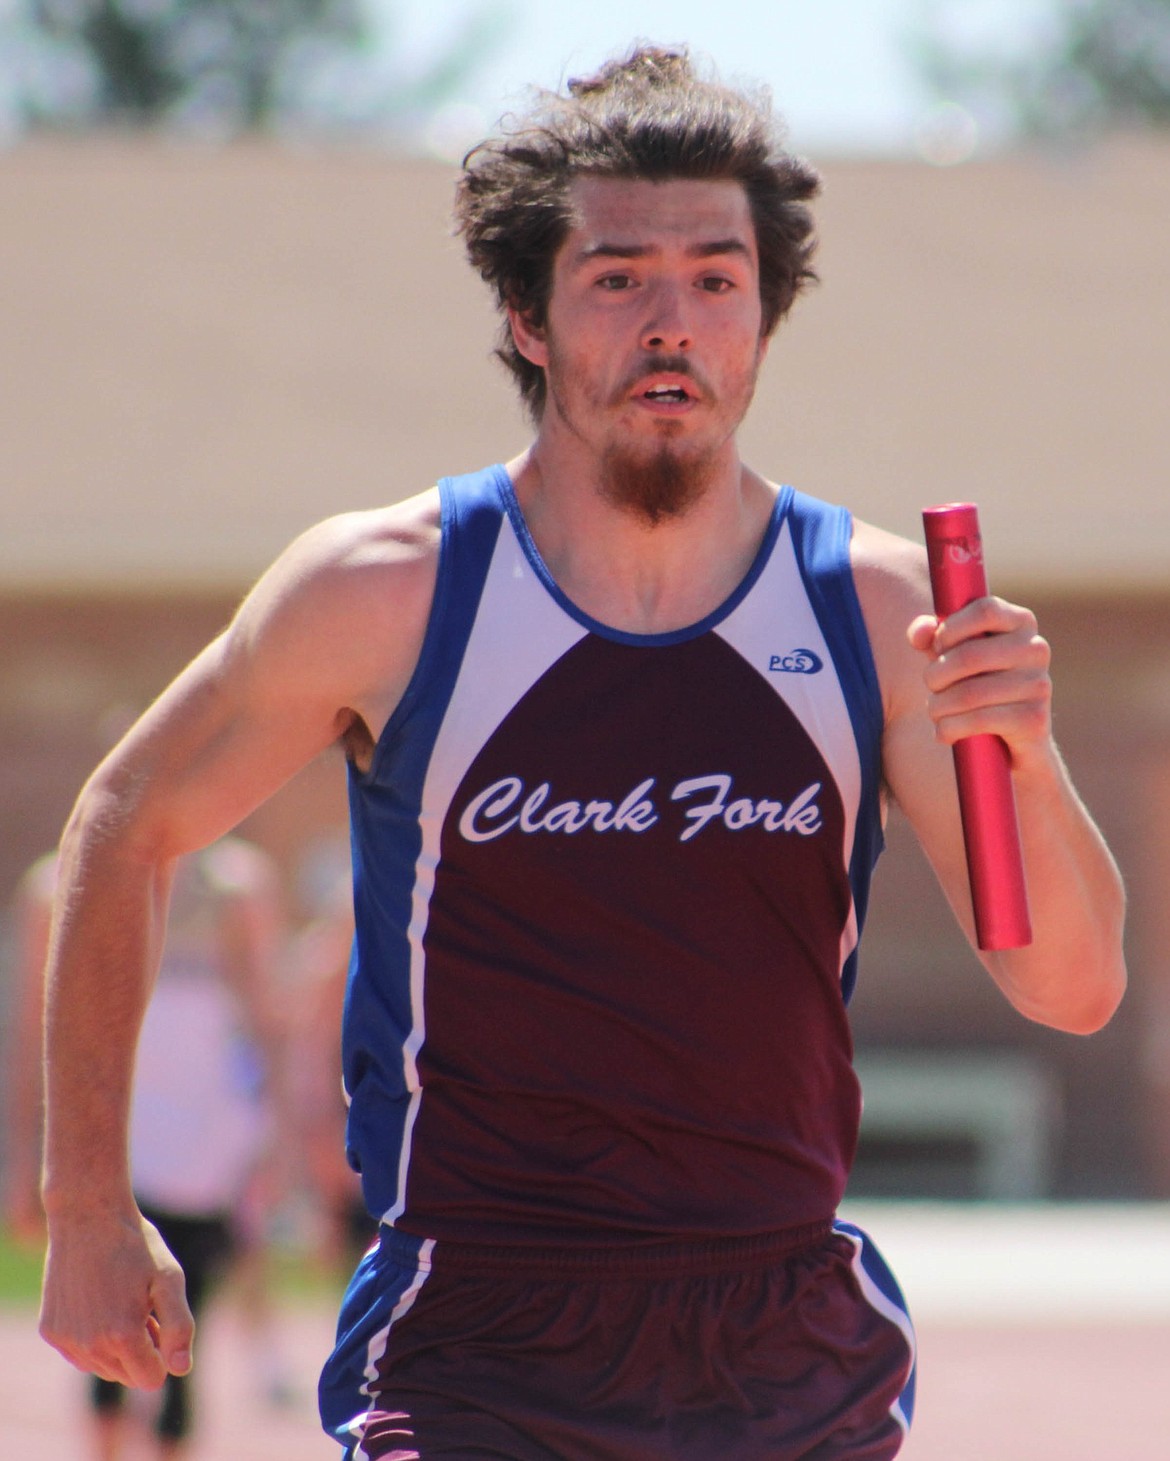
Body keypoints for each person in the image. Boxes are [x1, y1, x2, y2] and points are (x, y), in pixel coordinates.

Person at [37, 44, 1126, 1461]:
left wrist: (1026, 758)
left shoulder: (881, 617)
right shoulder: (386, 589)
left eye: (715, 278)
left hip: (781, 1334)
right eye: (617, 277)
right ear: (527, 316)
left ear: (763, 317)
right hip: (478, 1326)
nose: (670, 320)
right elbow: (124, 819)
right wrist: (86, 1208)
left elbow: (1073, 988)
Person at [8, 838, 287, 1458]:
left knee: (191, 1330)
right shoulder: (60, 886)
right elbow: (37, 1033)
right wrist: (25, 1160)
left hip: (206, 1141)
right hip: (114, 1132)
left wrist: (271, 1142)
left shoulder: (234, 889)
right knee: (106, 1322)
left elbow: (266, 1026)